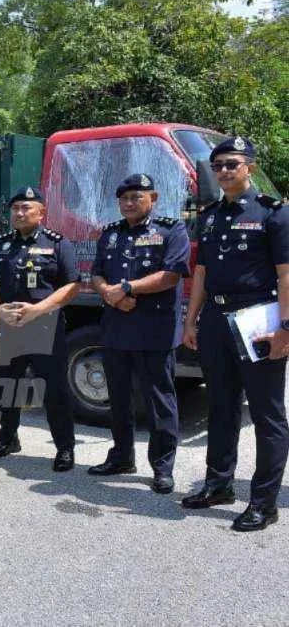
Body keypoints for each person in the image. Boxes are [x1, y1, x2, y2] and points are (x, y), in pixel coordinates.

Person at [180, 136, 289, 532]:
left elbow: (286, 273)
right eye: (218, 165)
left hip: (259, 319)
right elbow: (202, 274)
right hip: (216, 320)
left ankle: (263, 502)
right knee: (221, 406)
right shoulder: (209, 216)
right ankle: (218, 485)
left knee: (266, 413)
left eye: (232, 164)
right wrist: (191, 321)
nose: (224, 171)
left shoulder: (274, 213)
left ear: (250, 168)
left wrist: (285, 328)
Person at [88, 173, 190, 494]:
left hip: (154, 330)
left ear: (153, 198)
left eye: (137, 197)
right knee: (118, 398)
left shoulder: (171, 230)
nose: (130, 203)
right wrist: (109, 294)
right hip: (116, 327)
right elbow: (96, 275)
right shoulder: (110, 233)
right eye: (124, 199)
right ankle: (121, 457)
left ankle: (162, 467)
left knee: (159, 400)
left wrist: (127, 288)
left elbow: (171, 275)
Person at [0, 186, 80, 471]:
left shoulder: (58, 243)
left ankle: (64, 448)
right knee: (7, 387)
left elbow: (73, 286)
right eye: (15, 208)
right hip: (10, 329)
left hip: (44, 328)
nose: (19, 212)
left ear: (41, 212)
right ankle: (7, 438)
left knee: (55, 391)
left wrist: (38, 310)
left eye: (26, 208)